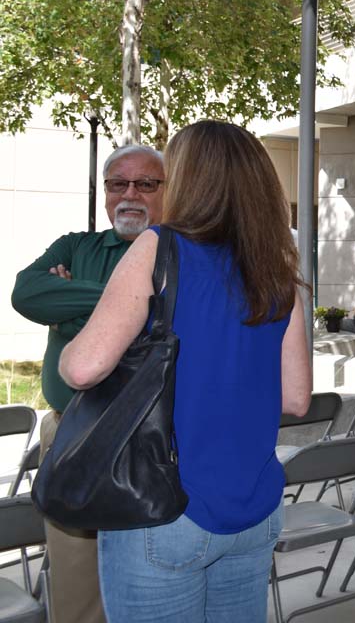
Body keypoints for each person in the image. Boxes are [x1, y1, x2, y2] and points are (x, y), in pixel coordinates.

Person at [57, 121, 313, 621]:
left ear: (189, 180)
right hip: (255, 509)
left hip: (164, 507)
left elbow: (83, 368)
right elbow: (296, 397)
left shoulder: (158, 247)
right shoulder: (277, 265)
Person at [11, 142, 166, 623]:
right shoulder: (75, 246)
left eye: (145, 183)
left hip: (154, 440)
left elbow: (174, 324)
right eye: (117, 183)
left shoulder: (179, 253)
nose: (130, 194)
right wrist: (131, 301)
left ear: (168, 190)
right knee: (77, 588)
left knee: (153, 581)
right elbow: (28, 292)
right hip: (71, 433)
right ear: (104, 193)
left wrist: (73, 312)